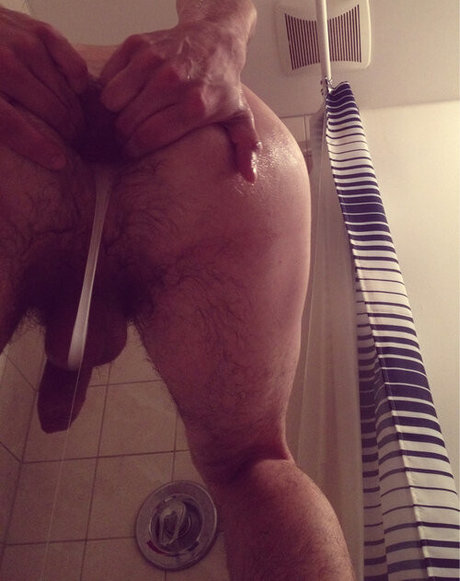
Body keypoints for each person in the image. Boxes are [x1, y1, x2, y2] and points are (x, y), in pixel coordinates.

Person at [0, 1, 356, 579]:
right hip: (199, 133)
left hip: (21, 111)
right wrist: (220, 29)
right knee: (252, 464)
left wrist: (223, 32)